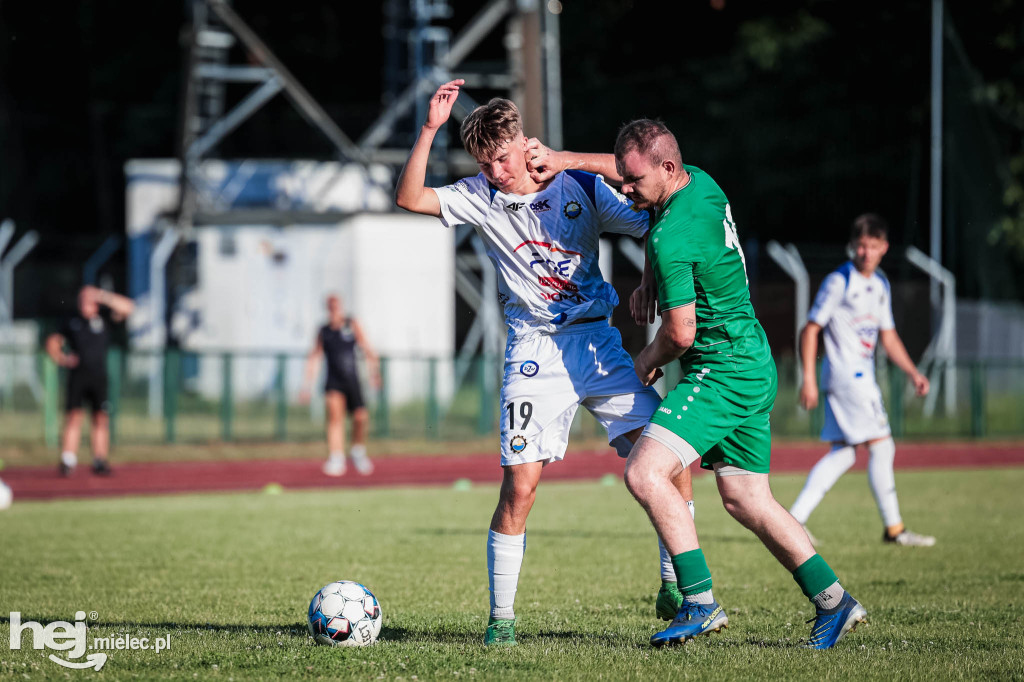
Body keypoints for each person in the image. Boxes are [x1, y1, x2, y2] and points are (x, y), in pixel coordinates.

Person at [530, 119, 866, 649]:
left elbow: (681, 333)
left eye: (633, 181)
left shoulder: (670, 234)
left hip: (722, 368)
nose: (624, 189)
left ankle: (699, 602)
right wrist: (568, 159)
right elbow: (646, 202)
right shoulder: (700, 182)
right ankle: (834, 602)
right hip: (751, 361)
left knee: (644, 473)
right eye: (624, 178)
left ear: (666, 168)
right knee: (746, 499)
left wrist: (643, 361)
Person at [395, 80, 695, 646]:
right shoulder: (480, 196)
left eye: (502, 159)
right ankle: (501, 620)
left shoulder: (578, 181)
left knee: (670, 460)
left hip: (598, 343)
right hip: (533, 349)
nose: (496, 173)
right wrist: (431, 129)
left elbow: (658, 205)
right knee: (521, 488)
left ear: (523, 143)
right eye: (485, 164)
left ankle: (673, 584)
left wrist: (654, 278)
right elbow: (410, 198)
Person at [789, 214, 935, 547]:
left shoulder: (880, 284)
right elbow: (811, 329)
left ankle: (795, 519)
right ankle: (894, 530)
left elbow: (888, 336)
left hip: (857, 375)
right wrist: (808, 378)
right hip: (848, 376)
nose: (865, 253)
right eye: (860, 246)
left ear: (884, 247)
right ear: (852, 247)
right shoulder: (840, 281)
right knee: (883, 445)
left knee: (844, 453)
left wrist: (913, 372)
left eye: (872, 246)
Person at [45, 285, 134, 476]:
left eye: (89, 298)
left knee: (100, 419)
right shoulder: (72, 321)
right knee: (73, 417)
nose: (85, 302)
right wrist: (63, 358)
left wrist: (103, 296)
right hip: (77, 377)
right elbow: (52, 341)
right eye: (82, 298)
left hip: (99, 377)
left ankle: (100, 460)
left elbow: (128, 308)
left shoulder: (104, 319)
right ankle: (68, 460)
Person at [299, 294, 380, 477]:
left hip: (352, 379)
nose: (334, 309)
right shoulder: (324, 331)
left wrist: (375, 372)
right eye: (331, 305)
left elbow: (367, 347)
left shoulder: (351, 324)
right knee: (335, 418)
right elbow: (315, 356)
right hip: (333, 381)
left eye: (337, 305)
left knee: (360, 417)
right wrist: (306, 385)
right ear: (327, 307)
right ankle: (336, 457)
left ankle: (358, 452)